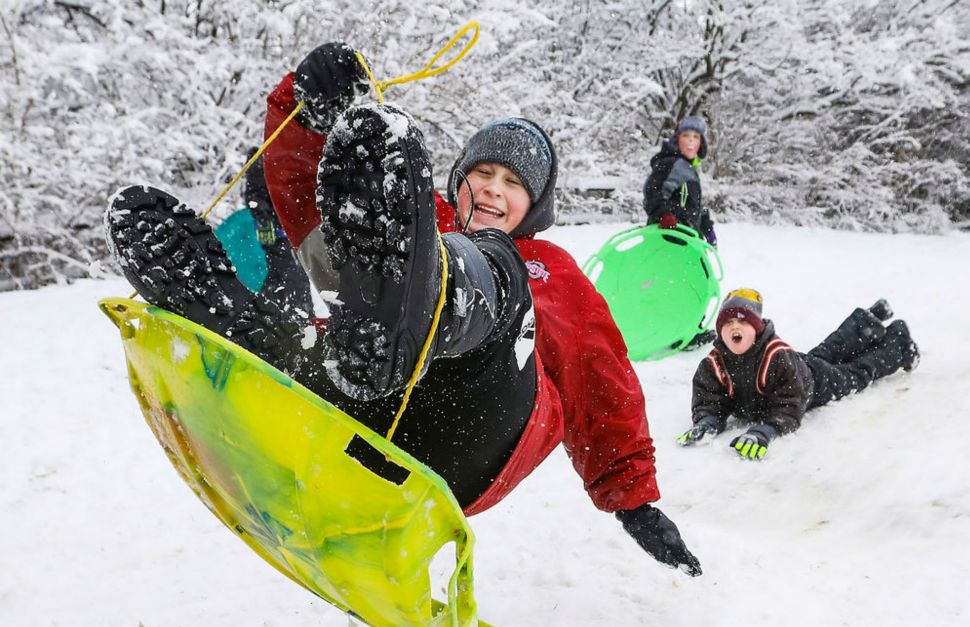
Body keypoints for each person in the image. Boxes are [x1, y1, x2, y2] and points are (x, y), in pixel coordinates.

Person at [105, 42, 702, 577]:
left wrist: (633, 499)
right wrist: (308, 110)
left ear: (536, 205)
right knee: (361, 276)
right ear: (457, 181)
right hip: (361, 414)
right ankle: (249, 330)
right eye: (482, 173)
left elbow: (602, 378)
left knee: (493, 267)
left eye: (513, 183)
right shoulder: (416, 228)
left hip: (469, 441)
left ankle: (421, 316)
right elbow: (305, 200)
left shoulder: (553, 271)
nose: (493, 188)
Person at [677, 288, 920, 459]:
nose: (735, 328)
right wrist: (707, 420)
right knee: (828, 350)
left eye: (743, 324)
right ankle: (869, 319)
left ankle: (899, 345)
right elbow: (708, 398)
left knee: (857, 373)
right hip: (799, 366)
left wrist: (768, 429)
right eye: (727, 325)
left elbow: (790, 405)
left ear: (757, 330)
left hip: (814, 383)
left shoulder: (777, 357)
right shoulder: (713, 365)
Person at [642, 115, 716, 246]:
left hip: (687, 239)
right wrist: (664, 214)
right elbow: (652, 192)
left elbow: (692, 206)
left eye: (696, 137)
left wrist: (707, 227)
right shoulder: (670, 164)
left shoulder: (689, 169)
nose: (691, 141)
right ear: (677, 140)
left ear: (701, 143)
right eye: (686, 136)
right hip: (667, 240)